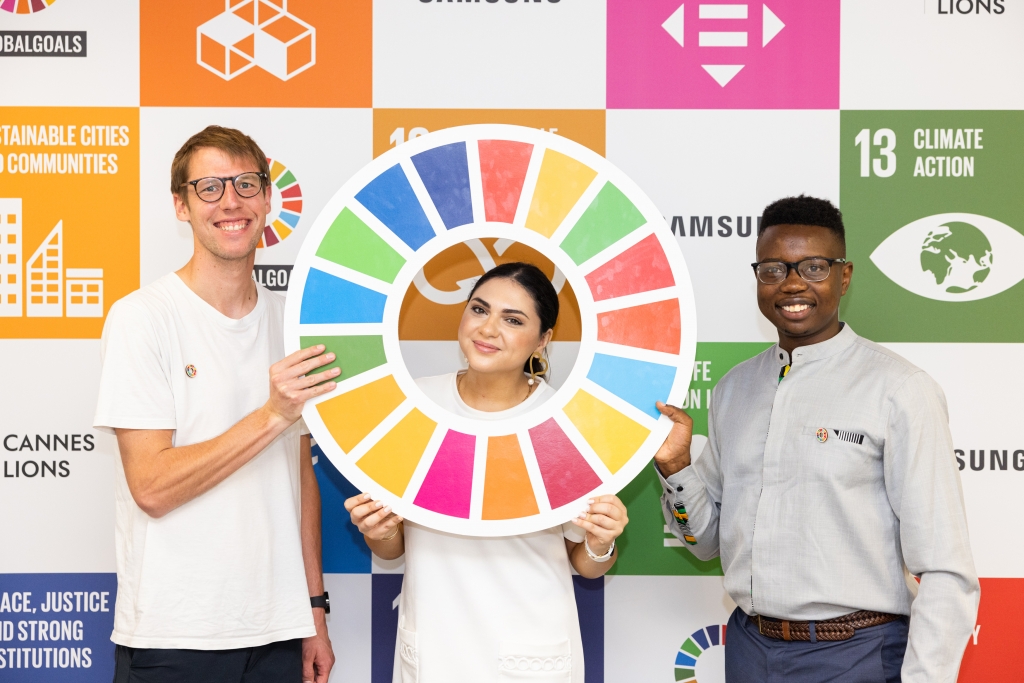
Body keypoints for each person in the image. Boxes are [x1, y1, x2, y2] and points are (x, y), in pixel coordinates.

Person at [651, 196, 979, 682]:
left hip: (857, 656)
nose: (792, 283)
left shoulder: (900, 389)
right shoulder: (733, 390)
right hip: (748, 650)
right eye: (773, 269)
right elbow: (703, 543)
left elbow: (946, 568)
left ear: (844, 277)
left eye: (814, 267)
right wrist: (676, 466)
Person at [94, 126, 337, 683]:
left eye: (246, 184)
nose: (231, 201)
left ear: (268, 199)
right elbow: (152, 487)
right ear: (181, 206)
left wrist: (314, 612)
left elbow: (299, 479)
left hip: (277, 632)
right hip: (175, 634)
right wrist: (272, 414)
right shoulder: (142, 318)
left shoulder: (293, 323)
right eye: (209, 187)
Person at [345, 262, 628, 683]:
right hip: (432, 648)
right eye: (479, 309)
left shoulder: (567, 425)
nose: (488, 328)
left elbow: (586, 564)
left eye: (513, 320)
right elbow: (392, 549)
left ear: (543, 339)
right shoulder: (413, 406)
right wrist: (379, 531)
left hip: (532, 654)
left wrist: (601, 543)